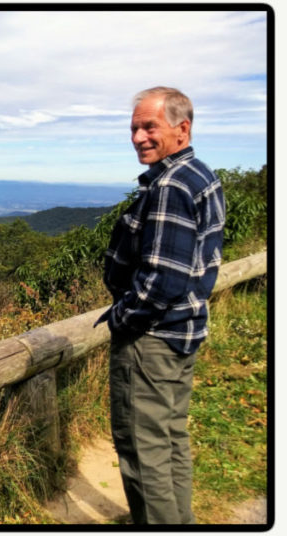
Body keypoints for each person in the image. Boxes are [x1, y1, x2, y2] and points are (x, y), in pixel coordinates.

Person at [97, 87, 225, 524]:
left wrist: (121, 319)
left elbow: (161, 282)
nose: (138, 137)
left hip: (151, 341)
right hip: (183, 333)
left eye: (149, 126)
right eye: (134, 127)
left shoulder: (169, 185)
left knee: (142, 449)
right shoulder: (201, 175)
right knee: (169, 439)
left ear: (182, 128)